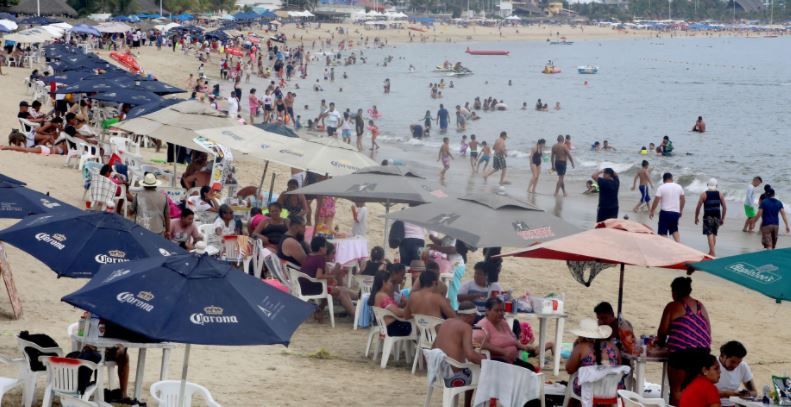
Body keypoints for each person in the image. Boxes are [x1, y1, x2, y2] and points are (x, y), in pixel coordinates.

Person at [658, 277, 712, 406]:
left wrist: (660, 343)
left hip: (682, 354)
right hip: (704, 353)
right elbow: (708, 331)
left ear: (674, 292)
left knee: (677, 391)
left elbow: (662, 331)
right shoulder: (700, 306)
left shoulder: (673, 306)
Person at [432, 301, 484, 407]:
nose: (474, 319)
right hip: (452, 377)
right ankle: (468, 405)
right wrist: (485, 360)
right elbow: (470, 355)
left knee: (472, 367)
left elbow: (433, 347)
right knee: (480, 372)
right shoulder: (466, 327)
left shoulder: (446, 322)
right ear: (470, 316)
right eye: (474, 316)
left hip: (437, 372)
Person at [300, 236, 357, 318]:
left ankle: (358, 299)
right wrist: (331, 276)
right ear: (321, 248)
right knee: (341, 292)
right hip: (314, 288)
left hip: (304, 287)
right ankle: (355, 315)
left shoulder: (309, 256)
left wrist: (330, 276)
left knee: (342, 290)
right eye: (325, 246)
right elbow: (318, 276)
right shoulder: (320, 258)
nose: (326, 249)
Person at [476, 297, 535, 370]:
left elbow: (512, 340)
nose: (500, 313)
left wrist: (523, 347)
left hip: (511, 360)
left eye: (502, 311)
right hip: (495, 362)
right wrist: (504, 352)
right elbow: (481, 344)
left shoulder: (503, 322)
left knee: (531, 368)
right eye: (497, 310)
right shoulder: (483, 325)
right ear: (487, 311)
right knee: (527, 371)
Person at [566, 318, 621, 395]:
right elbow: (618, 367)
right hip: (612, 391)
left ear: (581, 335)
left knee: (574, 386)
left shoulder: (581, 347)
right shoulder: (613, 347)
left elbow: (569, 369)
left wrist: (575, 348)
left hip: (589, 391)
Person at [368, 270, 412, 336]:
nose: (392, 284)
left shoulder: (377, 295)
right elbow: (398, 313)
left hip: (386, 327)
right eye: (390, 281)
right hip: (392, 328)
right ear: (384, 282)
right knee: (415, 326)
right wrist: (411, 311)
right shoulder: (383, 296)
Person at [716, 341, 756, 406]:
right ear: (723, 355)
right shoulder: (712, 365)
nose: (735, 366)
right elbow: (701, 394)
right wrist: (725, 394)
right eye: (732, 362)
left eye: (739, 362)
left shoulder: (743, 366)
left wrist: (745, 394)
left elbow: (754, 392)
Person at [694, 179, 727, 256]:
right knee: (714, 234)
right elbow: (725, 207)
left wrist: (696, 217)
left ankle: (712, 252)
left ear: (707, 185)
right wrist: (722, 218)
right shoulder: (720, 194)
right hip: (717, 217)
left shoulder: (704, 194)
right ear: (716, 186)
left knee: (709, 234)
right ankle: (711, 251)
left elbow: (698, 207)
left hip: (707, 217)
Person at [650, 172, 686, 242]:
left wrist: (652, 210)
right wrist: (680, 210)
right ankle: (679, 244)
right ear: (672, 178)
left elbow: (656, 200)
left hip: (665, 213)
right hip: (675, 213)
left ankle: (666, 246)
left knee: (663, 232)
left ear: (663, 180)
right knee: (674, 230)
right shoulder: (679, 187)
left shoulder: (661, 187)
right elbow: (683, 200)